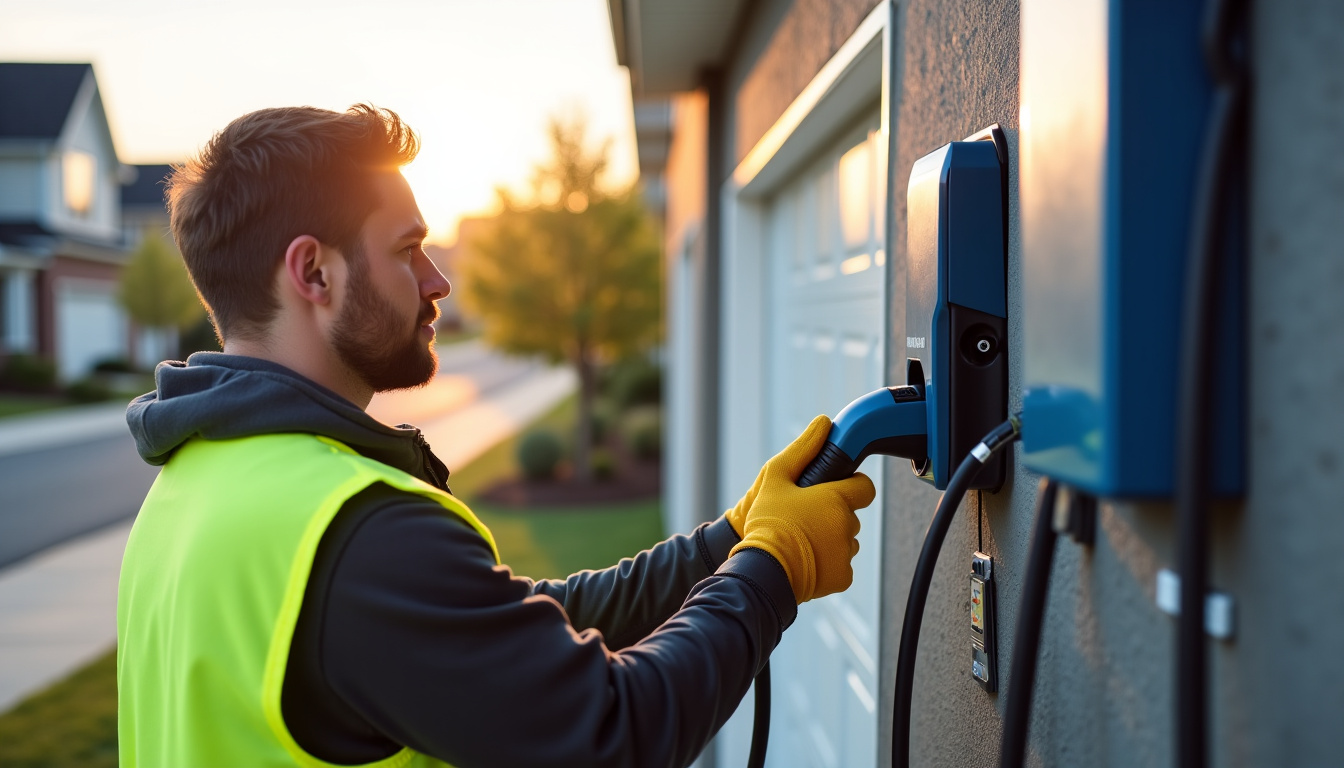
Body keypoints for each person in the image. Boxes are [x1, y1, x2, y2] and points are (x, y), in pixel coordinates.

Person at [117, 104, 876, 768]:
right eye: (408, 248)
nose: (438, 279)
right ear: (314, 272)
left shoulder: (186, 494)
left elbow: (505, 625)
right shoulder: (357, 532)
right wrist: (777, 564)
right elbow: (612, 731)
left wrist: (731, 540)